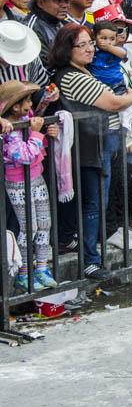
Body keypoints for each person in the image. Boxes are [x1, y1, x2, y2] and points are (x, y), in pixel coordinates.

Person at [49, 23, 132, 280]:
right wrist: (130, 97)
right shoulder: (71, 76)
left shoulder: (84, 71)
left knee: (94, 201)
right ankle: (90, 261)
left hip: (96, 143)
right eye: (82, 45)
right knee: (93, 203)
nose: (90, 49)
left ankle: (80, 247)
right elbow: (112, 102)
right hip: (87, 147)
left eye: (90, 43)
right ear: (68, 49)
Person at [1, 80, 58, 291]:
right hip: (17, 184)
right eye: (26, 101)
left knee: (44, 224)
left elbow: (37, 145)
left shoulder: (27, 119)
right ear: (14, 106)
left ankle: (42, 268)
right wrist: (35, 134)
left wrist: (46, 134)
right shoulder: (8, 131)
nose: (30, 105)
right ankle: (25, 273)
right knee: (29, 228)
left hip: (37, 178)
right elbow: (24, 155)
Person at [27, 0, 79, 68]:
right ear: (41, 3)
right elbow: (45, 65)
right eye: (58, 0)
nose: (65, 6)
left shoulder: (67, 24)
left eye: (66, 1)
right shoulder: (31, 27)